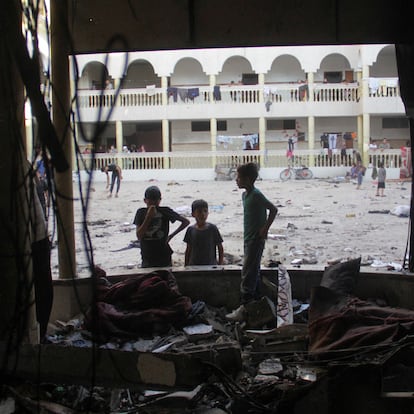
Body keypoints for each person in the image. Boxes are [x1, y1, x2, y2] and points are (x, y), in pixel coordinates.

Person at [226, 163, 278, 321]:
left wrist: (265, 228)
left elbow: (273, 209)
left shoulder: (256, 195)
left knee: (248, 273)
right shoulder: (245, 196)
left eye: (239, 177)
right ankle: (256, 307)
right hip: (248, 238)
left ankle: (245, 309)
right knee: (252, 271)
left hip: (256, 239)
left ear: (248, 179)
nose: (236, 180)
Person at [133, 185, 190, 268]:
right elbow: (139, 235)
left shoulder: (165, 211)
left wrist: (171, 236)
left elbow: (185, 222)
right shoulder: (141, 212)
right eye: (150, 200)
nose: (153, 203)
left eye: (155, 200)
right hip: (147, 255)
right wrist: (148, 217)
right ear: (145, 201)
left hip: (164, 255)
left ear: (160, 200)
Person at [184, 199, 224, 266]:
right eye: (199, 212)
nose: (203, 214)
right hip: (194, 266)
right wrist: (186, 265)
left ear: (208, 213)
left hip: (210, 265)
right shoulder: (190, 230)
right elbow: (188, 249)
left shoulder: (212, 228)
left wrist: (220, 264)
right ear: (193, 214)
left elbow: (220, 247)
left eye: (205, 211)